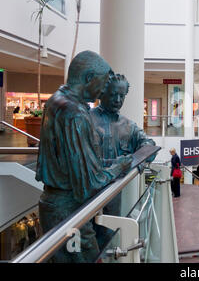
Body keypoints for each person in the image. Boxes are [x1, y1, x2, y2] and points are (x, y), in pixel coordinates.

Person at [35, 51, 133, 263]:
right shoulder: (75, 113)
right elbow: (89, 183)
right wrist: (119, 167)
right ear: (89, 78)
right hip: (68, 213)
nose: (102, 91)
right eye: (102, 84)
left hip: (54, 208)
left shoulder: (55, 101)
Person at [90, 73, 157, 248]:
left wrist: (139, 159)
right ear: (102, 93)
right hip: (86, 195)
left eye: (122, 96)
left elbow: (149, 145)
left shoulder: (129, 126)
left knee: (109, 239)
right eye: (113, 95)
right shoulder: (85, 120)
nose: (118, 100)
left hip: (114, 194)